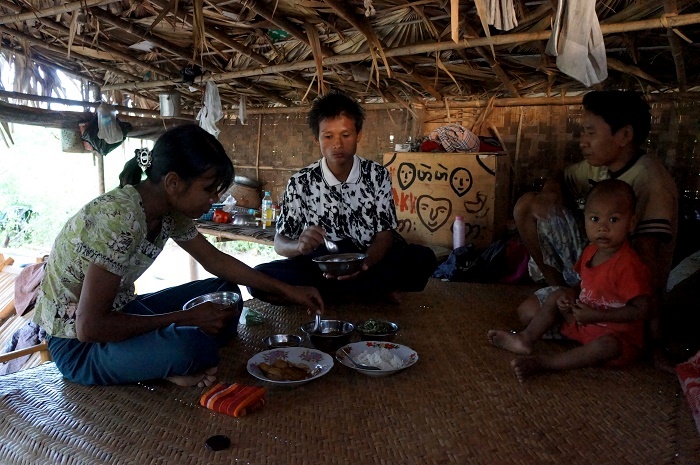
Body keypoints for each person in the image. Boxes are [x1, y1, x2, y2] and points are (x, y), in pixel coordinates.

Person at [33, 124, 324, 387]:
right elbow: (90, 327)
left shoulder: (169, 211)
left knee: (223, 291)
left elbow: (216, 261)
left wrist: (289, 290)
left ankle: (156, 357)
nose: (214, 200)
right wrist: (185, 317)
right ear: (173, 182)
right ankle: (164, 360)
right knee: (195, 348)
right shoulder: (118, 218)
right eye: (209, 189)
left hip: (123, 310)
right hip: (78, 345)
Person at [512, 90, 678, 368]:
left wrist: (655, 343)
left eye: (590, 133)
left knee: (531, 313)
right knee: (527, 205)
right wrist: (551, 193)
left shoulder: (651, 182)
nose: (583, 142)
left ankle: (577, 323)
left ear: (624, 136)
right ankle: (558, 292)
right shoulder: (600, 167)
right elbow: (560, 176)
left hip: (620, 290)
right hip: (593, 270)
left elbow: (651, 271)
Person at [249, 90, 436, 304]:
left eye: (345, 135)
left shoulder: (376, 175)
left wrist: (364, 265)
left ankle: (334, 294)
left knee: (423, 258)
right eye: (328, 136)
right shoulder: (301, 182)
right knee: (258, 278)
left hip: (368, 262)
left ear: (358, 135)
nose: (337, 144)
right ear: (317, 139)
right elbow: (280, 243)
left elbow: (384, 236)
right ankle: (367, 294)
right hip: (319, 266)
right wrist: (299, 245)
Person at [488, 179, 653, 382]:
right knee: (559, 295)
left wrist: (596, 315)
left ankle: (546, 364)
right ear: (584, 221)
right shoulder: (591, 252)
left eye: (614, 220)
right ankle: (526, 338)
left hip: (616, 336)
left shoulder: (629, 264)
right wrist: (571, 296)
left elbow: (643, 309)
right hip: (585, 323)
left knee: (606, 346)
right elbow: (584, 284)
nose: (602, 228)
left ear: (632, 223)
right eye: (595, 219)